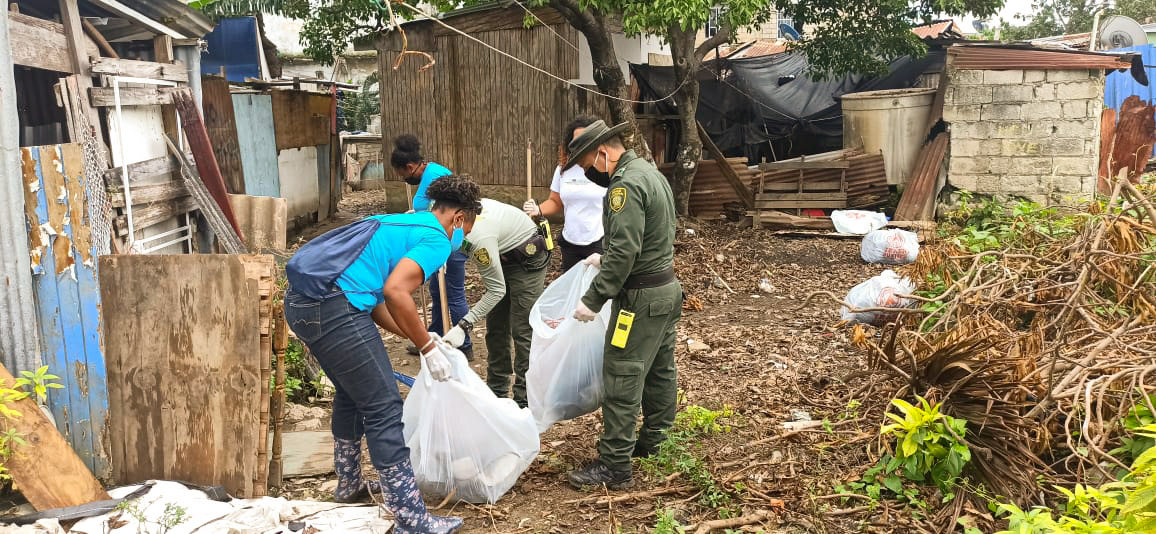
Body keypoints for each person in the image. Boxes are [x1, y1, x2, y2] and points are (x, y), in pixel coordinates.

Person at [283, 175, 483, 533]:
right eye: (466, 228)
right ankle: (411, 517)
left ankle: (349, 486)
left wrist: (423, 337)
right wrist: (424, 346)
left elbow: (376, 299)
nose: (463, 237)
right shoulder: (436, 237)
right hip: (332, 307)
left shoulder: (402, 221)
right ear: (458, 219)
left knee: (353, 393)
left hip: (303, 304)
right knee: (384, 406)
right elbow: (396, 292)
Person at [562, 119, 683, 490]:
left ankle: (615, 465)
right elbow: (657, 230)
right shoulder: (649, 172)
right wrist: (606, 256)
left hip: (640, 298)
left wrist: (594, 298)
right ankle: (658, 441)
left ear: (602, 153)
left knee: (622, 373)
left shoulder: (625, 185)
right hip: (665, 288)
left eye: (588, 166)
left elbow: (628, 248)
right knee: (660, 369)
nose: (590, 174)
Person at [440, 198, 551, 408]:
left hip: (527, 257)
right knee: (496, 328)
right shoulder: (444, 210)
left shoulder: (478, 238)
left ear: (458, 219)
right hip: (501, 254)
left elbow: (496, 290)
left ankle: (524, 402)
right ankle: (496, 394)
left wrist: (464, 325)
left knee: (523, 330)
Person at [392, 135, 472, 358]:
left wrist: (421, 216)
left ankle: (464, 346)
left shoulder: (436, 175)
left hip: (450, 242)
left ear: (409, 167)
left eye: (402, 174)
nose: (403, 179)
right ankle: (433, 338)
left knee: (454, 294)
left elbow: (451, 210)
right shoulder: (429, 174)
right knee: (438, 292)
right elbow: (433, 210)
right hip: (437, 241)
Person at [522, 115, 606, 271]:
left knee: (595, 291)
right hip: (570, 243)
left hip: (599, 241)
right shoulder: (564, 169)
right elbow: (555, 202)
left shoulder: (604, 168)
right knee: (571, 289)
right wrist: (538, 209)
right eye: (576, 141)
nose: (581, 144)